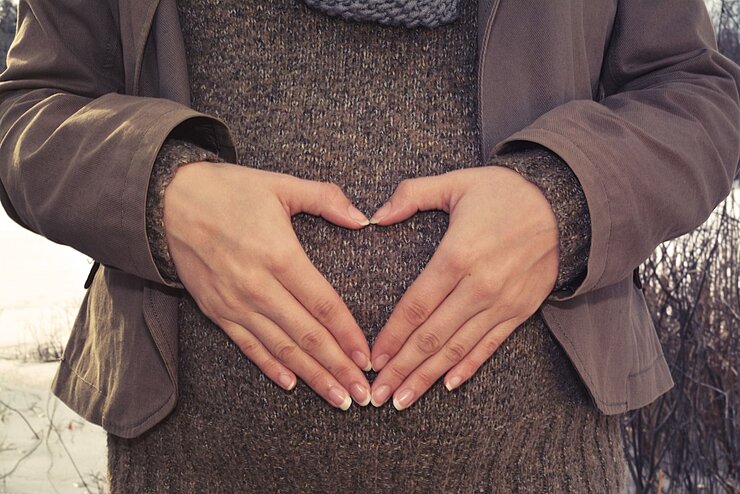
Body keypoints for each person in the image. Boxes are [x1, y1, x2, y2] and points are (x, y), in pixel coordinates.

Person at [0, 0, 737, 491]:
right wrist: (163, 194)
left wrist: (567, 200)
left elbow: (697, 95)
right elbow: (27, 110)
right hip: (188, 464)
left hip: (546, 463)